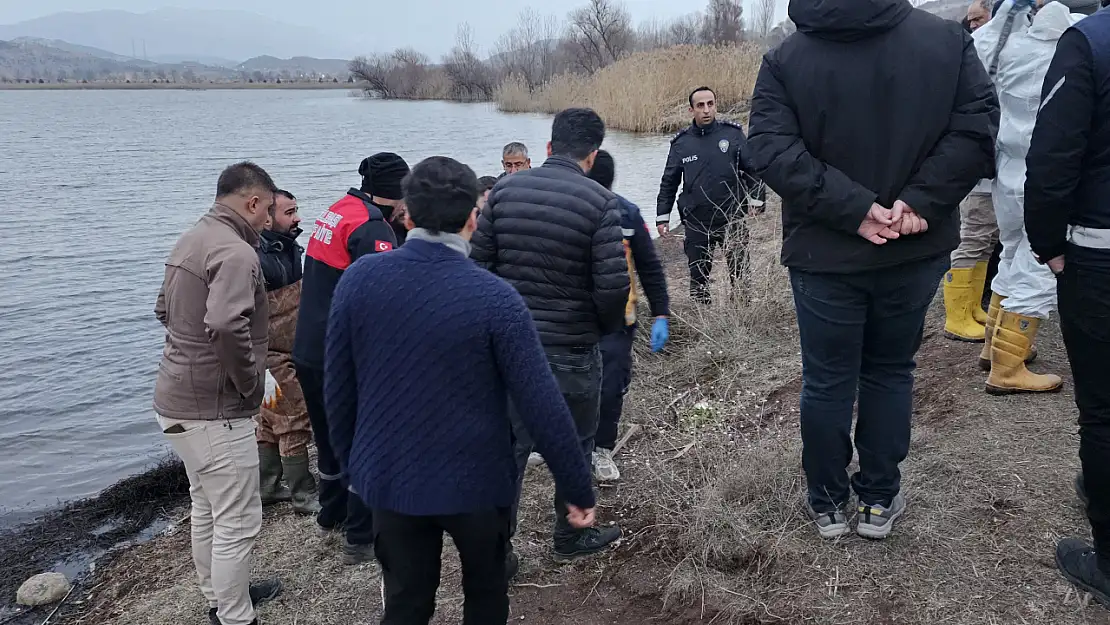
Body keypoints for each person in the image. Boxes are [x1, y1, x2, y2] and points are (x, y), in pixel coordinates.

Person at [747, 0, 998, 539]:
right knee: (889, 369)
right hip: (912, 245)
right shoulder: (947, 41)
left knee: (827, 379)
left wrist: (852, 208)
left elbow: (769, 148)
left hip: (824, 252)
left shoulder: (786, 58)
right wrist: (917, 203)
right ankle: (879, 499)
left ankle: (828, 503)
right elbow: (976, 130)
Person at [325, 156, 597, 625]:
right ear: (475, 215)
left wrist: (354, 464)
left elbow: (338, 385)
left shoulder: (360, 280)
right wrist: (576, 487)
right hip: (476, 482)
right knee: (486, 596)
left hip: (392, 476)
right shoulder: (496, 298)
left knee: (407, 603)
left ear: (405, 215)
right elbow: (541, 402)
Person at [472, 107, 629, 566]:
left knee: (508, 452)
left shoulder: (503, 192)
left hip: (511, 351)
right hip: (573, 349)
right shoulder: (600, 202)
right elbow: (613, 287)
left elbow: (479, 270)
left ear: (547, 147)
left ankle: (498, 554)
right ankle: (570, 534)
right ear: (592, 154)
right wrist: (599, 328)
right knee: (576, 443)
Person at [153, 162, 284, 625]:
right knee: (238, 520)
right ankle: (234, 615)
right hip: (214, 411)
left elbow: (162, 310)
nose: (270, 220)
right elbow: (226, 325)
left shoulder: (191, 237)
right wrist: (250, 381)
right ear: (252, 202)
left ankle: (220, 597)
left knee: (206, 506)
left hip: (173, 399)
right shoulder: (237, 253)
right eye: (268, 209)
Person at [1024, 0, 1110, 605]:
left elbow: (1052, 158)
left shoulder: (1088, 44)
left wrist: (1049, 242)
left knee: (1104, 411)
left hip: (1100, 253)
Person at [293, 152, 410, 564]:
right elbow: (380, 299)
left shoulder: (339, 210)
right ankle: (360, 538)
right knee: (366, 441)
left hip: (307, 348)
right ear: (396, 193)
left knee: (327, 437)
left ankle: (332, 511)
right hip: (342, 355)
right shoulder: (373, 229)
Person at [973, 0, 1094, 394]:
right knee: (1037, 264)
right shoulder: (1060, 47)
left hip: (1007, 168)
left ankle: (994, 346)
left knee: (1011, 253)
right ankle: (1008, 368)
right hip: (1038, 170)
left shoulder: (1008, 44)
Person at [585, 149, 671, 482]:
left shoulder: (628, 215)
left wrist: (661, 312)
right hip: (573, 317)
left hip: (620, 319)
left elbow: (650, 267)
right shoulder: (568, 211)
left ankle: (602, 449)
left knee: (611, 387)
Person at [656, 86, 765, 304]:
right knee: (698, 280)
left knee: (740, 275)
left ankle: (742, 320)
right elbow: (669, 181)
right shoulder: (681, 144)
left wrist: (757, 199)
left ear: (715, 105)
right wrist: (662, 216)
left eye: (710, 104)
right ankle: (703, 325)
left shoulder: (732, 135)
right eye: (700, 105)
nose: (706, 110)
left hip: (731, 218)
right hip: (697, 221)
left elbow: (753, 169)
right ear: (691, 110)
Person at [254, 189, 320, 515]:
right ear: (266, 216)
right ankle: (304, 496)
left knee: (268, 419)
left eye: (296, 210)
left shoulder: (288, 248)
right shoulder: (255, 258)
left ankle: (266, 488)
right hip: (269, 357)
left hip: (287, 350)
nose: (298, 218)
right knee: (293, 417)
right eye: (289, 212)